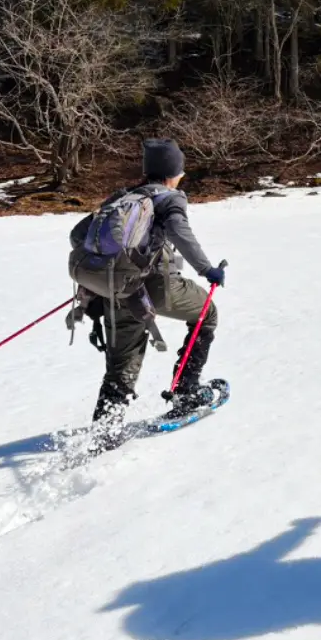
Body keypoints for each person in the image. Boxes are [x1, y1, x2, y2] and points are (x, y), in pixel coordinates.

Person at [67, 138, 226, 446]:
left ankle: (105, 432)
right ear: (173, 172)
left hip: (120, 290)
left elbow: (77, 235)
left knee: (121, 366)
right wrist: (208, 270)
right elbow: (181, 232)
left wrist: (109, 268)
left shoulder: (125, 196)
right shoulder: (169, 198)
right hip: (157, 287)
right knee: (207, 313)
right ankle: (186, 391)